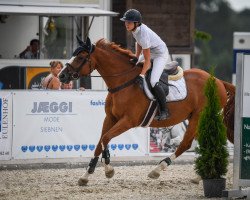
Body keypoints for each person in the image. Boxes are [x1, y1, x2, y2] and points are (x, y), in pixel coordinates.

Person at [120, 9, 171, 120]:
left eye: (129, 22)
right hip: (151, 51)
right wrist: (136, 57)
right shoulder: (135, 30)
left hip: (159, 54)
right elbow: (138, 43)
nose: (126, 24)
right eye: (125, 22)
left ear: (136, 23)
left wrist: (142, 75)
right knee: (133, 64)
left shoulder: (143, 33)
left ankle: (165, 111)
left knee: (153, 81)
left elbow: (147, 61)